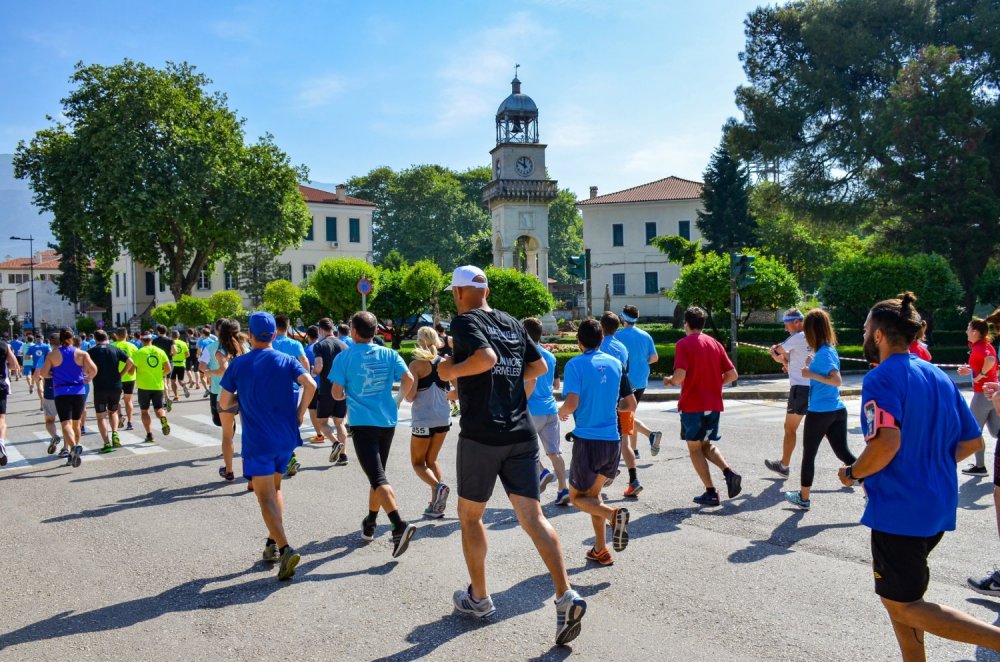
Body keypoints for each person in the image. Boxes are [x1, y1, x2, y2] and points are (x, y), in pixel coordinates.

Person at [841, 292, 1000, 659]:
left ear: (878, 335)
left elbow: (885, 444)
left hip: (900, 510)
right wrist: (929, 462)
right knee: (902, 598)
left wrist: (852, 472)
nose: (865, 335)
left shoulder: (880, 378)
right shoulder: (936, 375)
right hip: (937, 505)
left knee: (903, 605)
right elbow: (971, 440)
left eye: (866, 329)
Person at [438, 265, 586, 646]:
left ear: (458, 293)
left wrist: (451, 370)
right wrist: (505, 380)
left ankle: (480, 598)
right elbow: (536, 366)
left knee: (470, 517)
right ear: (485, 289)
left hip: (482, 434)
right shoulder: (511, 322)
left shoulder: (465, 322)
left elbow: (485, 359)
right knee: (533, 517)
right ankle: (565, 593)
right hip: (520, 432)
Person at [220, 311, 316, 581]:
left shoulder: (238, 365)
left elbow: (224, 403)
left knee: (264, 497)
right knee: (275, 489)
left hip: (258, 441)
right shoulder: (287, 360)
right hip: (286, 439)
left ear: (249, 336)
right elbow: (310, 384)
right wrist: (299, 414)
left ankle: (284, 548)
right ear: (274, 334)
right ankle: (272, 543)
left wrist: (243, 399)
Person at [331, 311, 417, 556]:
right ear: (375, 331)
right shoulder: (390, 353)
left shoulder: (345, 357)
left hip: (362, 423)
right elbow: (408, 378)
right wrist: (398, 400)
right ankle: (370, 522)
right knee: (377, 475)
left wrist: (345, 393)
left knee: (378, 478)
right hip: (387, 421)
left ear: (354, 331)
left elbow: (336, 394)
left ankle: (398, 525)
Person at [559, 319, 637, 566]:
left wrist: (562, 412)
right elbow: (630, 403)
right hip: (612, 440)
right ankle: (600, 549)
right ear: (602, 339)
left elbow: (571, 402)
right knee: (595, 495)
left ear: (578, 341)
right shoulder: (615, 363)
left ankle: (614, 515)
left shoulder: (575, 364)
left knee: (576, 498)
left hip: (587, 440)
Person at [664, 307, 742, 506]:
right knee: (706, 444)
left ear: (687, 324)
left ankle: (710, 491)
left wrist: (670, 381)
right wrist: (714, 383)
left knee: (694, 448)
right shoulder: (715, 343)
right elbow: (733, 375)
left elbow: (680, 376)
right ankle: (729, 472)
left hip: (692, 404)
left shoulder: (683, 344)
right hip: (713, 403)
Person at [783, 309, 856, 510]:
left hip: (820, 411)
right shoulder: (828, 350)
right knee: (844, 453)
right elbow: (827, 371)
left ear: (813, 330)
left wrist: (810, 373)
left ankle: (804, 498)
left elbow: (836, 380)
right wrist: (811, 366)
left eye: (806, 330)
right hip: (837, 410)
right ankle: (872, 492)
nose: (805, 335)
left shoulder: (823, 353)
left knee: (809, 455)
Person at [601, 311, 654, 497]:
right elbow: (626, 372)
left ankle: (607, 473)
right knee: (624, 441)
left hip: (606, 400)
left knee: (600, 440)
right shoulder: (622, 347)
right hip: (625, 396)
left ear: (601, 327)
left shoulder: (600, 346)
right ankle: (633, 480)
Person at [404, 326, 454, 518]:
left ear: (419, 341)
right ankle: (436, 505)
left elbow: (410, 396)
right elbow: (457, 391)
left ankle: (438, 487)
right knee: (432, 460)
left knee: (418, 463)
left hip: (423, 419)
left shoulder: (416, 365)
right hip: (443, 417)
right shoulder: (445, 363)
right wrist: (441, 397)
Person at [523, 317, 570, 505]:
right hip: (551, 408)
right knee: (555, 452)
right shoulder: (550, 356)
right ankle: (563, 488)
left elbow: (529, 382)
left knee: (523, 448)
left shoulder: (526, 355)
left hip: (532, 409)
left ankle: (542, 472)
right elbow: (556, 384)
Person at [37, 328, 98, 467]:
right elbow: (94, 369)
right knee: (76, 423)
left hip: (61, 391)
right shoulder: (82, 353)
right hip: (79, 391)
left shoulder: (53, 355)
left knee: (66, 424)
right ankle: (74, 447)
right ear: (72, 338)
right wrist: (89, 378)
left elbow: (43, 373)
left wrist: (53, 375)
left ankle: (73, 448)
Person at [765, 308, 812, 478]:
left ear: (797, 322)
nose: (786, 329)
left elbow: (777, 350)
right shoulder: (813, 336)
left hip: (800, 389)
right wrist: (784, 362)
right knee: (826, 429)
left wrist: (775, 354)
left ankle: (784, 465)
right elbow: (792, 362)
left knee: (790, 428)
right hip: (816, 387)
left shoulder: (797, 337)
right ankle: (853, 465)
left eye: (787, 325)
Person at [614, 305, 662, 460]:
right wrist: (642, 362)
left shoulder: (618, 336)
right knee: (630, 413)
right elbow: (654, 358)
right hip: (641, 381)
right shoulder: (645, 335)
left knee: (625, 415)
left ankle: (650, 435)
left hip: (625, 382)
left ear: (622, 318)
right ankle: (634, 450)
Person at [958, 316, 998, 476]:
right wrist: (971, 371)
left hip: (982, 394)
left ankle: (980, 467)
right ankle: (980, 466)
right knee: (996, 431)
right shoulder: (985, 345)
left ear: (975, 332)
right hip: (992, 393)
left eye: (968, 328)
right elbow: (988, 359)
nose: (966, 331)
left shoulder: (981, 348)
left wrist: (980, 375)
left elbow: (990, 359)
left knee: (974, 431)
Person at [271, 315, 311, 476]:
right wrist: (303, 379)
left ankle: (287, 457)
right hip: (291, 390)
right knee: (289, 422)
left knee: (275, 424)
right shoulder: (294, 343)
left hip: (271, 390)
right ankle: (289, 456)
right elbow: (304, 361)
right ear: (288, 327)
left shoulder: (269, 343)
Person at [86, 329, 133, 453]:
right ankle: (115, 434)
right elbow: (130, 362)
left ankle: (107, 443)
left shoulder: (91, 352)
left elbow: (84, 368)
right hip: (115, 386)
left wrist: (90, 375)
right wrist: (121, 374)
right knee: (113, 412)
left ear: (95, 339)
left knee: (101, 416)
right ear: (107, 337)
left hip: (100, 387)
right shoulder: (115, 349)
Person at [312, 317, 349, 466]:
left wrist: (313, 373)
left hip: (326, 389)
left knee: (322, 422)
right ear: (332, 328)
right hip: (342, 389)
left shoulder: (320, 345)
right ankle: (343, 455)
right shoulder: (345, 345)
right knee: (340, 422)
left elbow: (319, 366)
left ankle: (334, 443)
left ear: (320, 330)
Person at [131, 331, 172, 443]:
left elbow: (131, 370)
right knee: (159, 408)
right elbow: (168, 368)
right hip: (158, 385)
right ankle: (163, 419)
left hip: (144, 386)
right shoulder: (160, 351)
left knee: (144, 411)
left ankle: (149, 434)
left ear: (141, 340)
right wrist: (160, 374)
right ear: (151, 340)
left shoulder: (139, 353)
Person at [38, 333, 62, 455]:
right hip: (68, 390)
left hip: (50, 389)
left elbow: (42, 373)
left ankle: (54, 435)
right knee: (67, 421)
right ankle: (66, 448)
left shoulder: (48, 356)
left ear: (50, 343)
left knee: (49, 421)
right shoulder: (70, 353)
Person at [302, 325, 324, 443]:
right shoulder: (323, 347)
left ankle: (320, 435)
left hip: (312, 385)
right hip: (325, 383)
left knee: (312, 410)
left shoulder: (305, 350)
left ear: (308, 336)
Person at [112, 328, 137, 430]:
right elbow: (136, 362)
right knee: (128, 400)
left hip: (116, 377)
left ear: (116, 336)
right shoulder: (133, 346)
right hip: (130, 377)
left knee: (116, 400)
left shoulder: (112, 346)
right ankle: (130, 422)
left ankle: (120, 416)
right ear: (126, 335)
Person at [0, 337, 19, 466]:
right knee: (1, 418)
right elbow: (14, 365)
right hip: (0, 384)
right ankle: (1, 441)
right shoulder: (3, 345)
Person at [168, 330, 190, 400]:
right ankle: (184, 386)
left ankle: (176, 396)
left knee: (173, 381)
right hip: (181, 364)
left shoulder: (170, 343)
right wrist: (181, 357)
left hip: (173, 364)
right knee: (181, 380)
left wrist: (173, 355)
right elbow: (187, 355)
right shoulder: (183, 343)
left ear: (171, 336)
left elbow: (170, 353)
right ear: (179, 336)